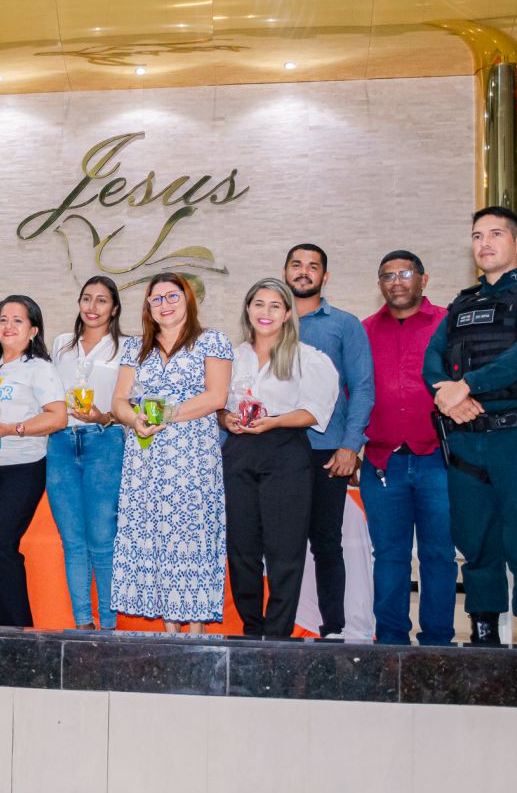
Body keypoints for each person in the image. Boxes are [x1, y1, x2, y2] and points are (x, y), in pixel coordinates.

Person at [424, 206, 517, 646]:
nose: (484, 243)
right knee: (475, 541)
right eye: (477, 236)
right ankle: (483, 634)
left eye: (495, 234)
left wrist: (467, 385)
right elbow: (433, 359)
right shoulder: (461, 304)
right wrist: (447, 396)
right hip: (466, 440)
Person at [111, 273, 232, 633]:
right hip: (145, 458)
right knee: (155, 536)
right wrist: (134, 419)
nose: (164, 304)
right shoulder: (136, 348)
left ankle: (196, 632)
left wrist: (167, 413)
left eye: (172, 296)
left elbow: (217, 397)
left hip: (193, 459)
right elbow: (118, 401)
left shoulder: (212, 341)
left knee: (190, 538)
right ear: (148, 306)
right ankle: (170, 632)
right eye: (156, 299)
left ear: (188, 299)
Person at [221, 278, 339, 637]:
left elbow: (315, 412)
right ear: (248, 308)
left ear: (288, 313)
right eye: (259, 304)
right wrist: (225, 419)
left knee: (284, 549)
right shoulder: (231, 357)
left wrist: (273, 421)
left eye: (275, 306)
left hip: (285, 450)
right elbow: (218, 404)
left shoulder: (308, 358)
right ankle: (251, 629)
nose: (266, 312)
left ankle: (277, 635)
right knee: (241, 548)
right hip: (239, 451)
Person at [361, 251, 456, 645]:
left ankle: (438, 642)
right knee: (389, 556)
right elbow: (353, 391)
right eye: (388, 275)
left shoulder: (448, 323)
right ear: (380, 284)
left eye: (404, 274)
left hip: (439, 461)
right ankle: (390, 641)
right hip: (383, 461)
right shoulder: (364, 331)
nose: (396, 282)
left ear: (423, 279)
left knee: (439, 555)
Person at [284, 243, 375, 638]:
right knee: (282, 545)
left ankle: (333, 628)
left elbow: (363, 388)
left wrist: (350, 446)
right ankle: (280, 628)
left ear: (325, 276)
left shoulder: (344, 325)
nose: (304, 272)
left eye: (313, 266)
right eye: (296, 264)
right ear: (285, 272)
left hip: (326, 450)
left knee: (326, 543)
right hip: (278, 450)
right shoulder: (271, 321)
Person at [0, 295, 67, 627]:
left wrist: (14, 428)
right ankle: (3, 630)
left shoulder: (40, 368)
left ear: (33, 330)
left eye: (17, 320)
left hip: (23, 467)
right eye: (3, 319)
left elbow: (58, 417)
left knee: (3, 545)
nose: (8, 326)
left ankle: (18, 633)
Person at [47, 276, 125, 630]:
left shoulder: (127, 347)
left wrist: (103, 417)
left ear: (114, 308)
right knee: (72, 540)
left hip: (104, 441)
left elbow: (131, 405)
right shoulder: (62, 344)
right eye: (86, 299)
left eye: (102, 300)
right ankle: (82, 623)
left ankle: (108, 625)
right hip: (61, 443)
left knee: (102, 539)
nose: (92, 307)